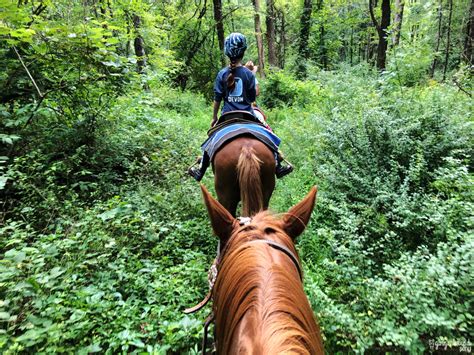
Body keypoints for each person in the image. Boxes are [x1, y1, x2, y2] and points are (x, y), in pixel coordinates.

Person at [188, 33, 292, 181]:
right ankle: (277, 165)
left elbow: (217, 99)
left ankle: (200, 170)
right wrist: (252, 74)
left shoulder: (222, 74)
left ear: (226, 52)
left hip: (227, 116)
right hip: (248, 115)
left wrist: (214, 117)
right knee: (268, 132)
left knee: (211, 140)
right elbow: (252, 97)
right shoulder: (248, 74)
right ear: (243, 51)